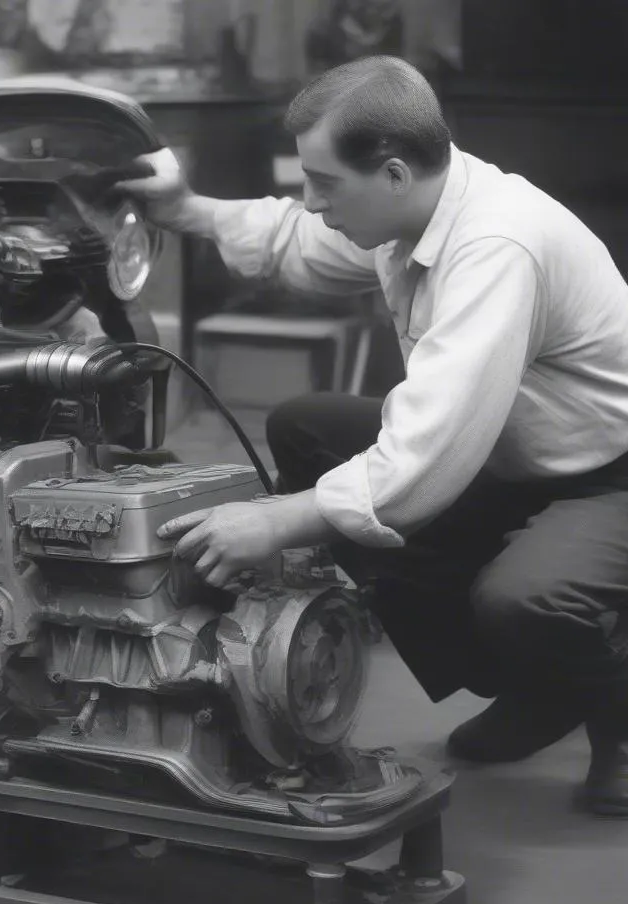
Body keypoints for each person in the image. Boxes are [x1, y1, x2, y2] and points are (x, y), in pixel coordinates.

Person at [116, 55, 628, 817]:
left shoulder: (497, 245)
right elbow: (296, 242)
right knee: (309, 428)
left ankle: (611, 714)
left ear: (391, 172)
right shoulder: (413, 206)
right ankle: (539, 686)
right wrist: (186, 208)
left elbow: (431, 450)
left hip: (608, 472)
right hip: (516, 455)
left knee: (524, 600)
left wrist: (279, 519)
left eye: (324, 184)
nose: (312, 201)